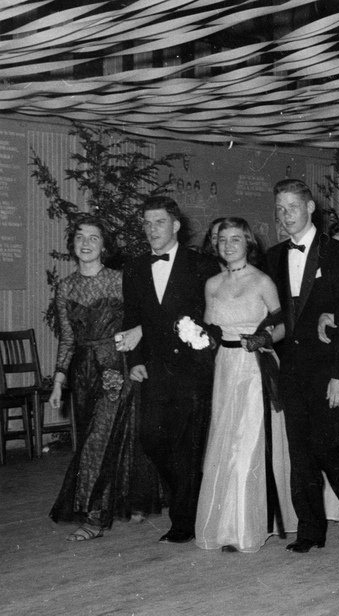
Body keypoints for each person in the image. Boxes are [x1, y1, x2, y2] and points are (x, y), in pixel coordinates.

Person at [264, 179, 339, 553]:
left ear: (310, 209)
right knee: (299, 451)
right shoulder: (273, 256)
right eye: (279, 209)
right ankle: (309, 530)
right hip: (291, 367)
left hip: (327, 368)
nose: (285, 216)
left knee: (329, 447)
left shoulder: (336, 252)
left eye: (291, 207)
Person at [49, 216, 161, 540]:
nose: (86, 243)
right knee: (96, 439)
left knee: (98, 439)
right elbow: (67, 340)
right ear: (73, 244)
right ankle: (124, 502)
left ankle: (94, 519)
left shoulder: (118, 280)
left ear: (104, 245)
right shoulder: (65, 287)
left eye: (94, 238)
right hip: (83, 373)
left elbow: (146, 318)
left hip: (114, 368)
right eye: (80, 237)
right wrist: (58, 381)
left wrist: (137, 338)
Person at [123, 196, 220, 544]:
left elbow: (214, 318)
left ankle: (183, 521)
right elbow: (130, 319)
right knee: (152, 439)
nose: (152, 229)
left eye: (159, 222)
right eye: (147, 223)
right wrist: (133, 361)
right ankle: (187, 498)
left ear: (176, 225)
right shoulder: (134, 267)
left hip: (191, 369)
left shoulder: (202, 264)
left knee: (187, 445)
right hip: (153, 368)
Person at [195, 218, 292, 553]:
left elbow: (282, 323)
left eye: (235, 239)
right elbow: (209, 329)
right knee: (224, 441)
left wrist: (264, 337)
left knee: (247, 441)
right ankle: (224, 525)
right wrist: (198, 338)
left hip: (255, 367)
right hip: (224, 366)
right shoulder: (211, 284)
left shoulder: (262, 281)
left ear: (248, 243)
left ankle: (247, 525)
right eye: (222, 239)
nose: (228, 245)